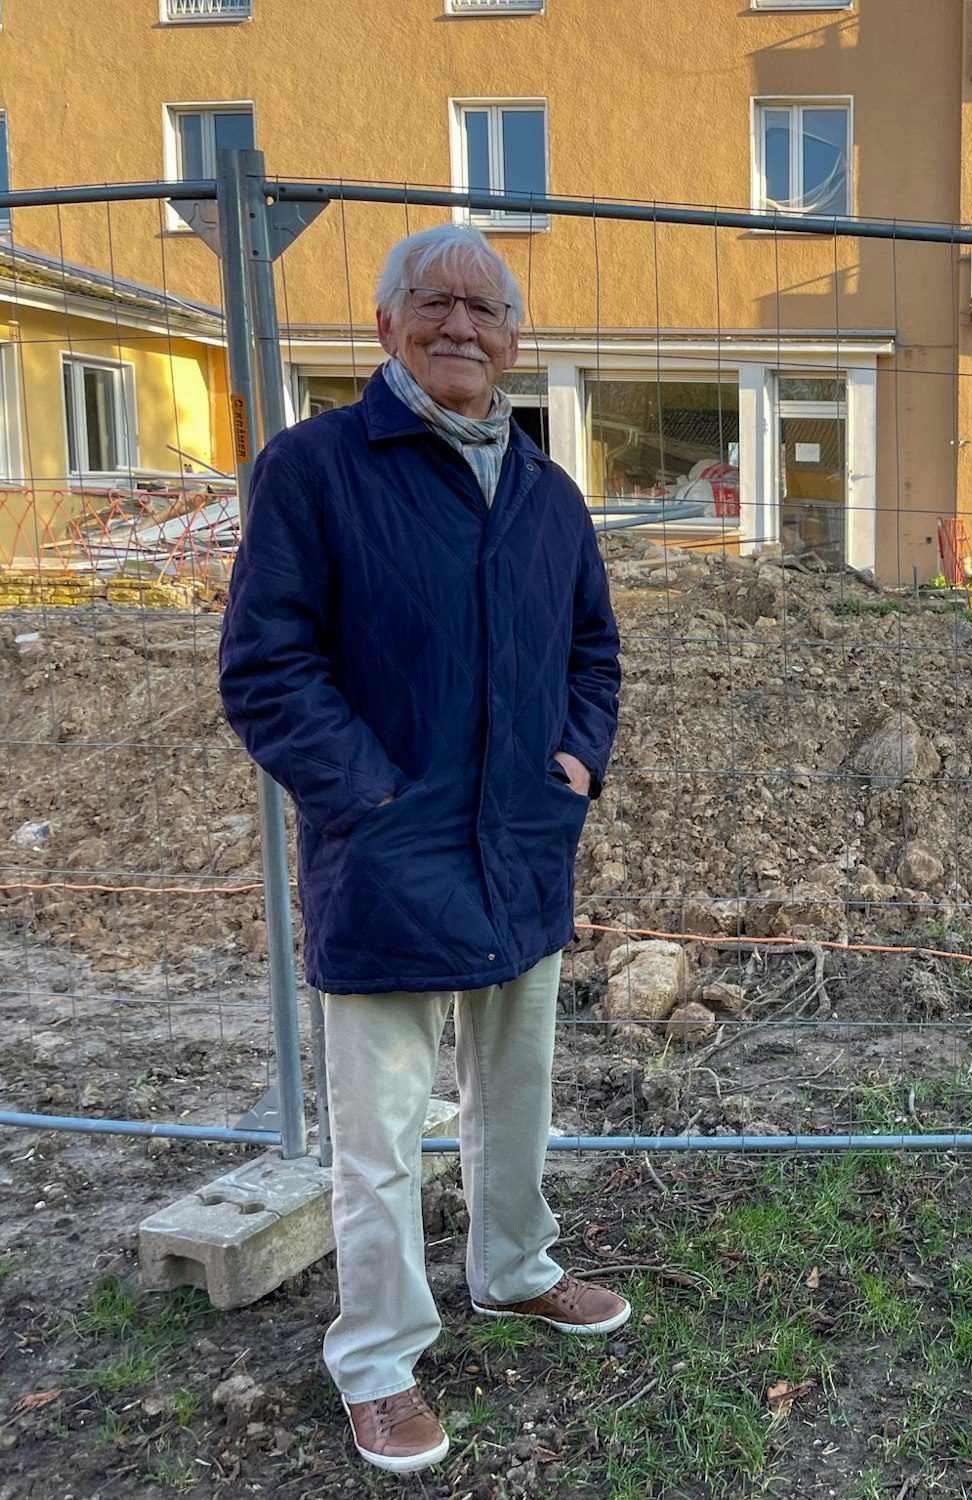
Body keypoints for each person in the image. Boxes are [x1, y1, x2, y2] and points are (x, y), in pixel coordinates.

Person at [218, 223, 623, 1474]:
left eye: (484, 309)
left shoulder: (548, 491)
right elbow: (266, 666)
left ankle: (514, 1268)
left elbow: (593, 652)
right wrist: (369, 799)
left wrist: (576, 762)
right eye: (433, 302)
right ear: (385, 322)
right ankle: (380, 1360)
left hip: (521, 841)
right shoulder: (317, 469)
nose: (460, 326)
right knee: (382, 1132)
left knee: (515, 1088)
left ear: (513, 340)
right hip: (388, 851)